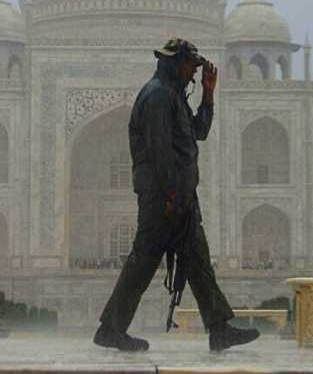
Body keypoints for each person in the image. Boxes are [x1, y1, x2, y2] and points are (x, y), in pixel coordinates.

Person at [93, 38, 260, 352]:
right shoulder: (157, 96)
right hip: (164, 196)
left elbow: (199, 132)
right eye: (190, 66)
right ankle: (111, 329)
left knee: (197, 261)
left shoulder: (172, 95)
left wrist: (208, 95)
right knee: (143, 262)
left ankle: (219, 328)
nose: (193, 74)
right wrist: (171, 195)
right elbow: (159, 152)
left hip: (179, 195)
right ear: (175, 63)